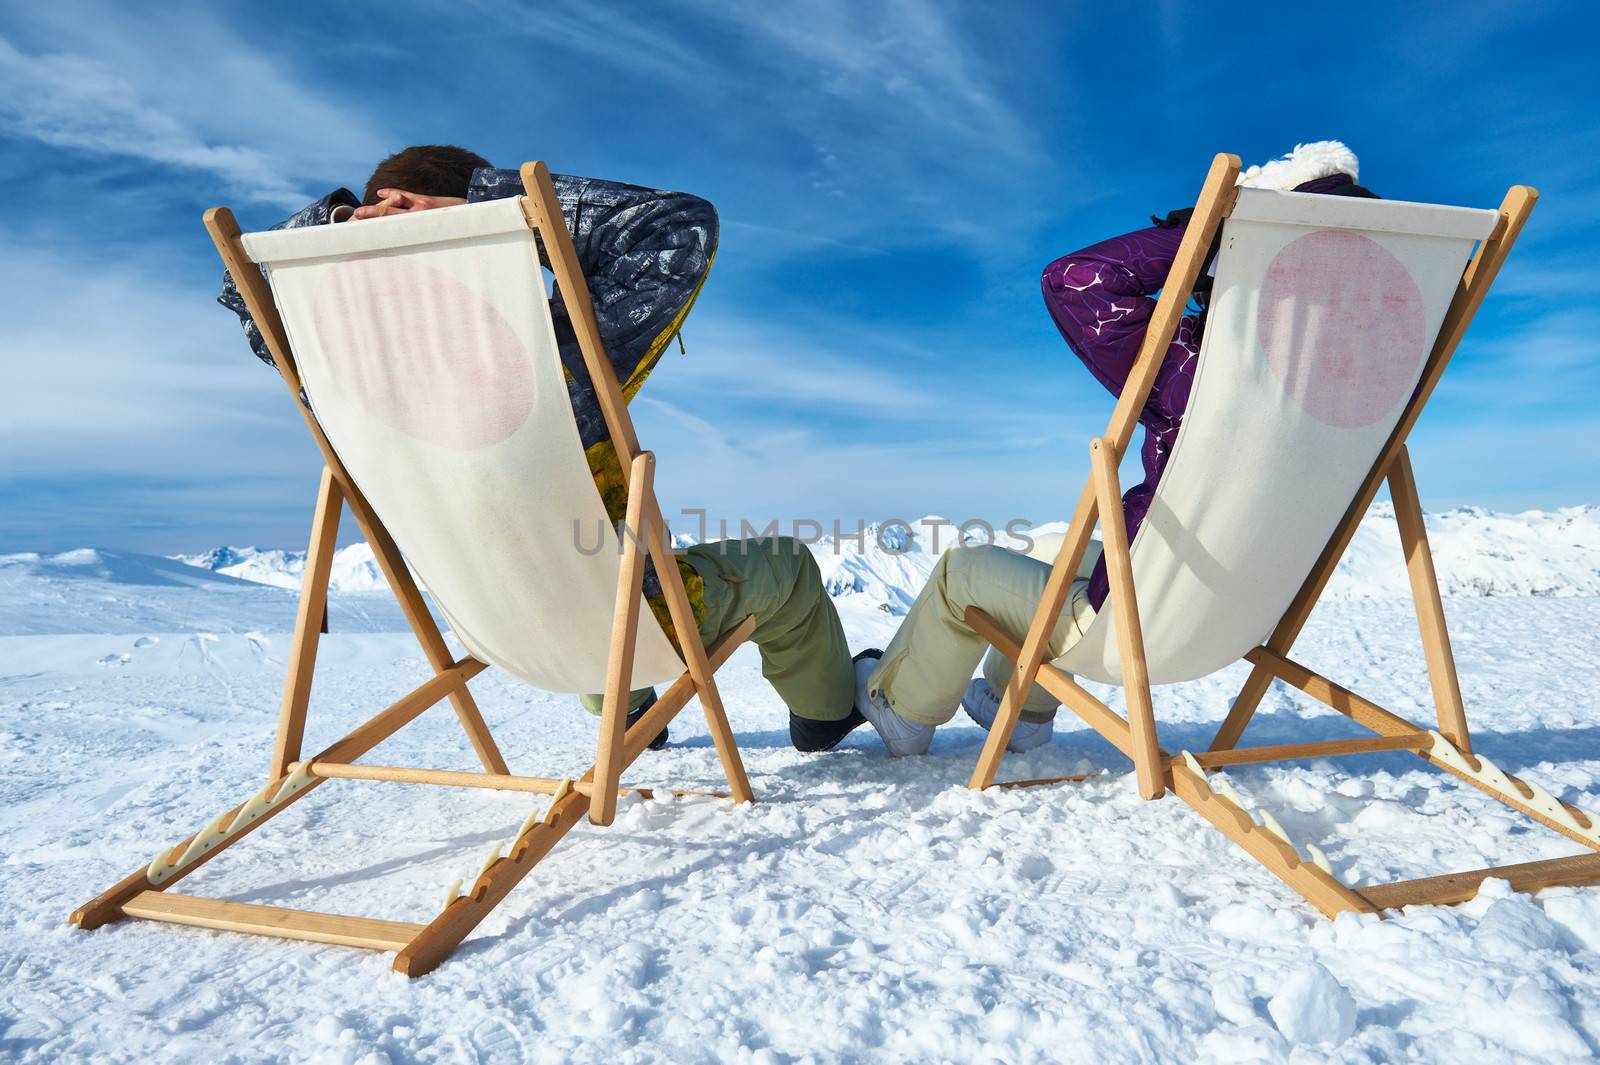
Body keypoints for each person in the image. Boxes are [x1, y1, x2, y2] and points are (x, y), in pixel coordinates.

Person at [220, 145, 868, 753]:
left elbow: (244, 287)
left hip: (495, 629)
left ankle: (634, 708)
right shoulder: (544, 360)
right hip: (623, 629)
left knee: (584, 537)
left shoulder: (322, 365)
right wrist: (497, 205)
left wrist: (334, 225)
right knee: (781, 564)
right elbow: (679, 225)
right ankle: (826, 714)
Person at [852, 142, 1380, 756]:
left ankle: (903, 712)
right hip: (1236, 621)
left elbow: (1074, 281)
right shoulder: (1359, 390)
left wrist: (1212, 238)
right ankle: (1014, 708)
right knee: (1058, 552)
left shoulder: (1210, 369)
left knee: (959, 572)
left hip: (1140, 625)